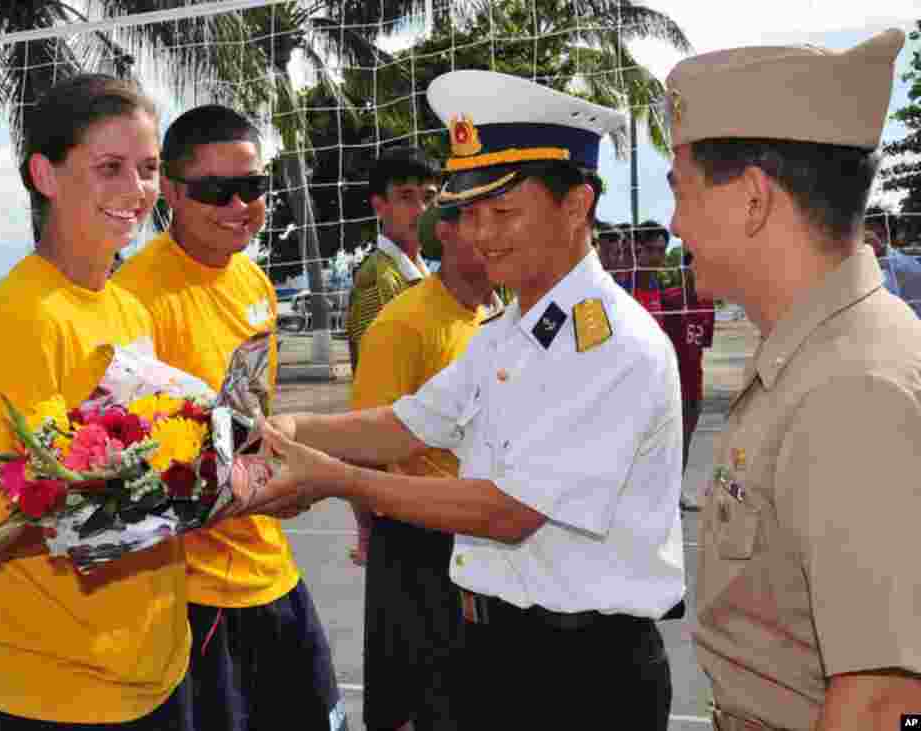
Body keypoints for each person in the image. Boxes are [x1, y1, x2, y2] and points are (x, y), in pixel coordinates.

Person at [241, 70, 686, 729]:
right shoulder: (510, 332)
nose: (481, 233)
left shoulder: (610, 344)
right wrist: (287, 426)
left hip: (581, 675)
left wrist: (332, 476)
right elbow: (405, 425)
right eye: (469, 211)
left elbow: (509, 511)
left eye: (503, 211)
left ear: (577, 204)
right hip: (488, 647)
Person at [664, 29, 921, 730]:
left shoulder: (851, 390)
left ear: (752, 198)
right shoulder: (815, 357)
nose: (674, 224)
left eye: (680, 191)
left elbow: (876, 704)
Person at [0, 74, 193, 729]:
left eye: (147, 169)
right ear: (45, 175)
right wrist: (114, 500)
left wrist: (197, 469)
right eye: (109, 168)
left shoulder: (128, 304)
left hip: (160, 673)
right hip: (58, 697)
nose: (135, 192)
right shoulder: (20, 320)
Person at [113, 104, 346, 731]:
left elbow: (253, 422)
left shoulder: (255, 284)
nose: (239, 205)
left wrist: (293, 472)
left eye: (253, 187)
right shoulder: (133, 300)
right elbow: (134, 473)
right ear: (171, 192)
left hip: (272, 568)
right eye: (216, 190)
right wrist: (266, 490)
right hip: (194, 593)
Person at [353, 203, 501, 731]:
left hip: (482, 537)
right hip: (419, 547)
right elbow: (368, 445)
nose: (493, 235)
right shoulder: (404, 323)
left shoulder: (495, 319)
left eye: (503, 217)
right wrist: (370, 527)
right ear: (444, 229)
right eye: (479, 219)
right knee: (415, 707)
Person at [345, 146, 441, 373]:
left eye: (429, 197)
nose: (421, 210)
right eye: (406, 197)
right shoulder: (377, 281)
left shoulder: (424, 272)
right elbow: (374, 381)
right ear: (380, 205)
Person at [660, 250, 715, 510]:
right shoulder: (669, 300)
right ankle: (664, 497)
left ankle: (676, 491)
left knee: (685, 442)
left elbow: (703, 344)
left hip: (695, 384)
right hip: (672, 385)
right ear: (683, 269)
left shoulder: (707, 301)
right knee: (668, 443)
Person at [864, 213, 921, 317]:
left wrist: (882, 251)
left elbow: (915, 274)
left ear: (888, 236)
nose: (870, 238)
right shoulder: (859, 264)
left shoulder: (903, 264)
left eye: (879, 234)